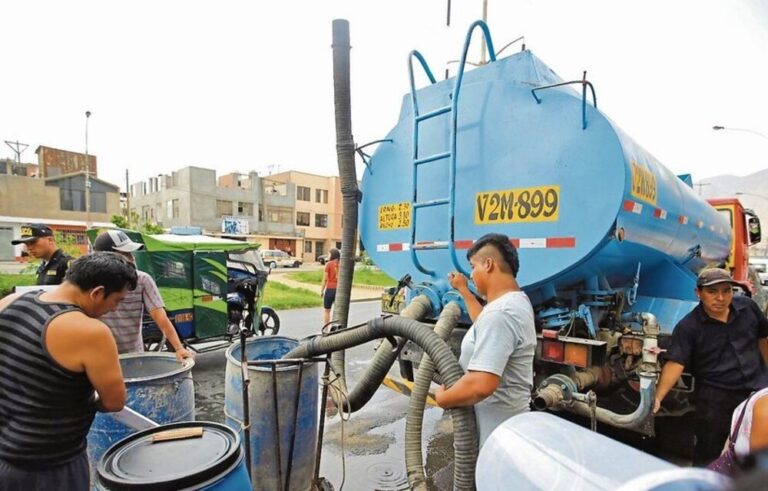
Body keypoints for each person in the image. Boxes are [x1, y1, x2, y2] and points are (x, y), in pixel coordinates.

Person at [0, 252, 137, 490]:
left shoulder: (9, 301)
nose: (114, 309)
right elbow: (114, 402)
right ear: (97, 293)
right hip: (51, 465)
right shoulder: (90, 331)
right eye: (116, 300)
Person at [654, 267, 768, 466]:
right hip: (716, 398)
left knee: (758, 448)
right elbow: (676, 363)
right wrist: (657, 398)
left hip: (756, 389)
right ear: (698, 293)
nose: (721, 298)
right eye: (712, 292)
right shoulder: (688, 327)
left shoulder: (748, 308)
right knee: (709, 452)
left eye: (726, 291)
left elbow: (762, 339)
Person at [435, 233, 536, 446]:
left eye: (473, 267)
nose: (471, 275)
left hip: (497, 440)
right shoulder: (515, 301)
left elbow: (481, 385)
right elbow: (483, 322)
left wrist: (443, 398)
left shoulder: (501, 313)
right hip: (506, 430)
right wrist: (463, 290)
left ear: (488, 264)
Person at [93, 230, 193, 362]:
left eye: (131, 253)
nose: (132, 258)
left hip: (134, 354)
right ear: (105, 257)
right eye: (125, 254)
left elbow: (160, 316)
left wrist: (179, 348)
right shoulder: (90, 281)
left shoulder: (142, 279)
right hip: (100, 356)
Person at [320, 248, 340, 328]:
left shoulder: (328, 264)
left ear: (333, 255)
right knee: (338, 311)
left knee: (327, 310)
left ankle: (325, 329)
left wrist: (322, 291)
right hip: (340, 290)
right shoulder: (342, 263)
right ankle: (337, 328)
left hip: (330, 289)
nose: (328, 256)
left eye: (329, 254)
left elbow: (325, 279)